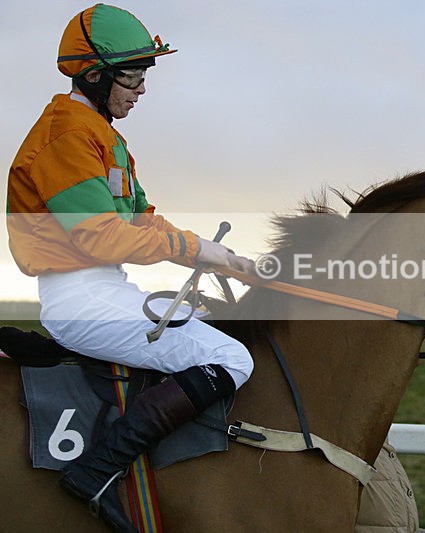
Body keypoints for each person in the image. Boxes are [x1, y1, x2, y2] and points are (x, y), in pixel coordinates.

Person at [6, 5, 254, 531]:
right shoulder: (67, 137)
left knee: (218, 331)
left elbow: (142, 219)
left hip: (108, 289)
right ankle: (96, 474)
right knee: (231, 359)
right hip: (81, 298)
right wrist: (195, 250)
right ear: (95, 76)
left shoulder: (101, 133)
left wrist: (222, 257)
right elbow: (101, 236)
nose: (142, 89)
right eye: (133, 76)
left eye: (145, 75)